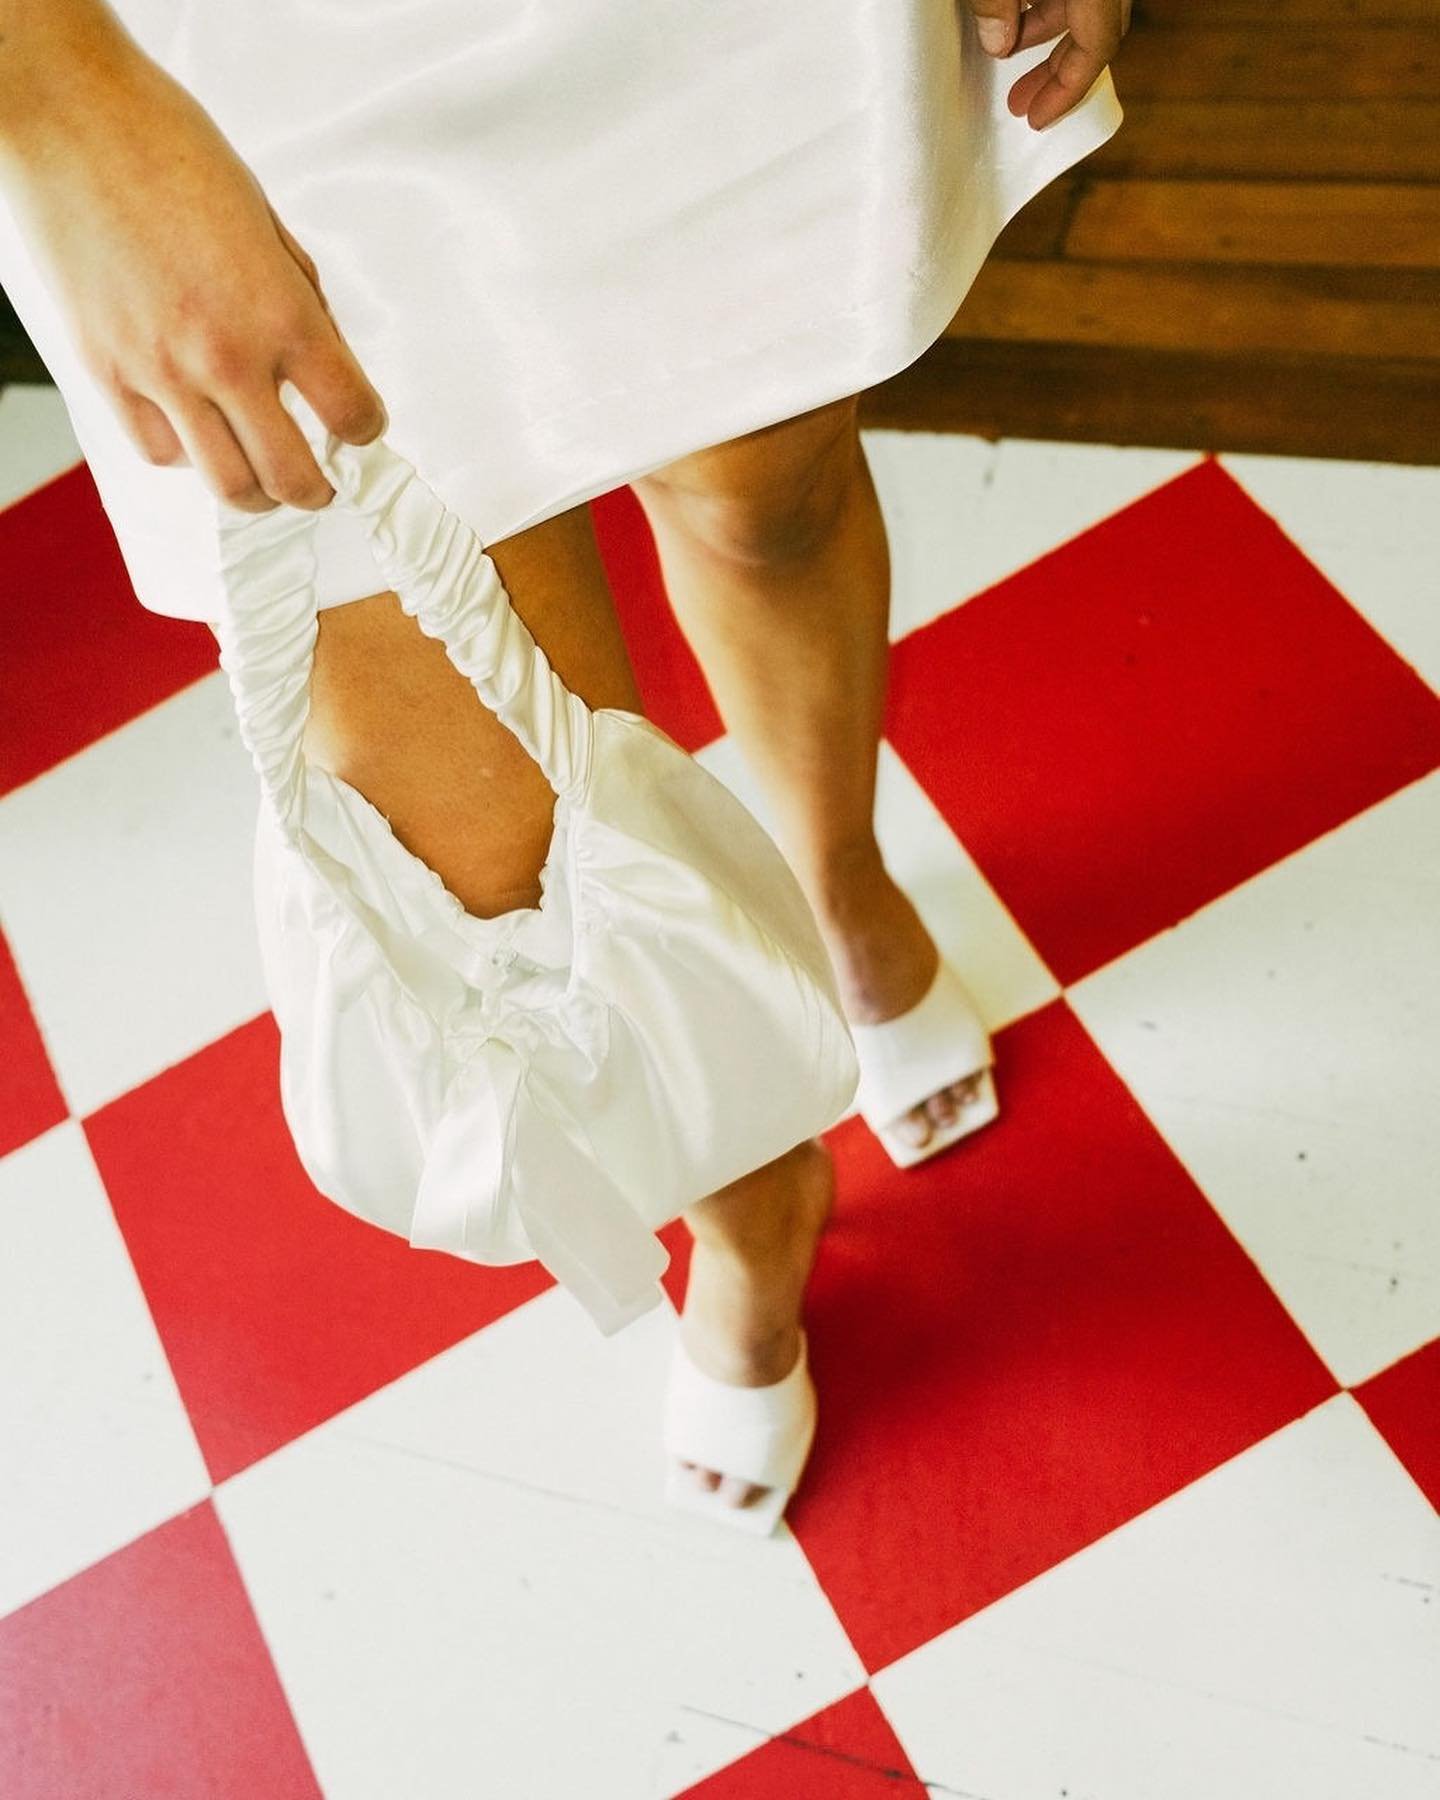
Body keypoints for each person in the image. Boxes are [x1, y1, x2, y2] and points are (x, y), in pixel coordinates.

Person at [0, 0, 1130, 1520]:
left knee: (761, 504)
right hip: (211, 60)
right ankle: (750, 1207)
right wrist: (56, 100)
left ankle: (840, 882)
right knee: (488, 856)